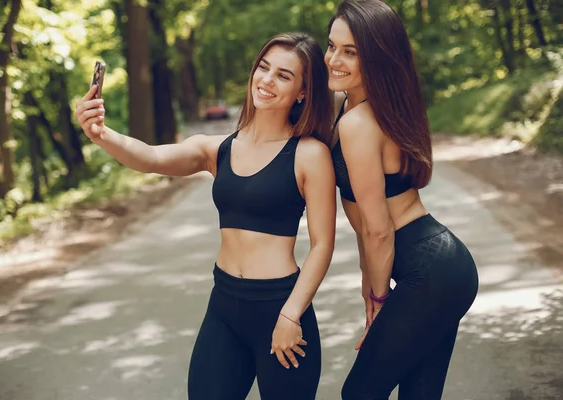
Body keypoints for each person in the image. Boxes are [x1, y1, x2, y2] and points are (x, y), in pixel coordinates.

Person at [74, 32, 336, 400]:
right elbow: (149, 158)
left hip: (280, 308)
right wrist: (101, 134)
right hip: (225, 307)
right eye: (263, 68)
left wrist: (291, 315)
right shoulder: (217, 150)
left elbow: (323, 245)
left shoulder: (310, 155)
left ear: (303, 93)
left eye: (283, 75)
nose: (266, 80)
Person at [324, 1, 479, 399]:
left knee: (359, 392)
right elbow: (365, 224)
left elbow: (378, 230)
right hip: (443, 266)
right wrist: (367, 285)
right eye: (332, 46)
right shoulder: (361, 106)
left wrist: (378, 299)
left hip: (429, 271)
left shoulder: (358, 123)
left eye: (350, 51)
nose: (333, 60)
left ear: (376, 56)